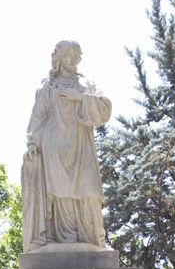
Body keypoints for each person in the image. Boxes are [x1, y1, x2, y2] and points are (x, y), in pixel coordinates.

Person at [21, 40, 113, 249]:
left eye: (76, 56)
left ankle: (93, 241)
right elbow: (38, 116)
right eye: (68, 56)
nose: (73, 60)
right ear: (59, 59)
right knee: (60, 195)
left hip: (82, 147)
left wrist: (80, 98)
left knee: (89, 192)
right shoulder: (48, 86)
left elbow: (104, 110)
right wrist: (32, 143)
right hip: (54, 148)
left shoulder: (86, 84)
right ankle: (65, 241)